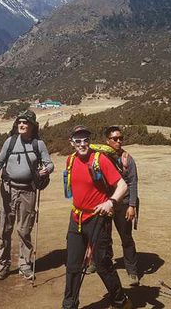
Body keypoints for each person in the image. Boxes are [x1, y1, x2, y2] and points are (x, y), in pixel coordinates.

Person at [62, 125, 133, 309]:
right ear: (72, 142)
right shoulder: (69, 160)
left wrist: (110, 202)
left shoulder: (99, 159)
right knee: (72, 265)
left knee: (102, 264)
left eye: (86, 139)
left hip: (98, 218)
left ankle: (120, 300)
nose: (82, 143)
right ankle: (69, 305)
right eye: (78, 140)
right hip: (76, 218)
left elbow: (122, 185)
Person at [0, 109, 53, 280]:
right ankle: (3, 265)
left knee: (24, 230)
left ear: (33, 126)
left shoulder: (38, 144)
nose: (22, 125)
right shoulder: (9, 142)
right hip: (7, 190)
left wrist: (46, 170)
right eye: (20, 122)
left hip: (28, 190)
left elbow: (49, 163)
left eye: (26, 123)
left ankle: (24, 264)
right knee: (4, 229)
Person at [89, 125, 140, 286]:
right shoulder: (100, 157)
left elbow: (133, 183)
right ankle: (100, 263)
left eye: (120, 138)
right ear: (107, 140)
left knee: (126, 237)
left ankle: (132, 270)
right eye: (115, 139)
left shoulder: (127, 158)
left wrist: (132, 205)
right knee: (103, 237)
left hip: (123, 204)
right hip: (105, 203)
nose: (119, 141)